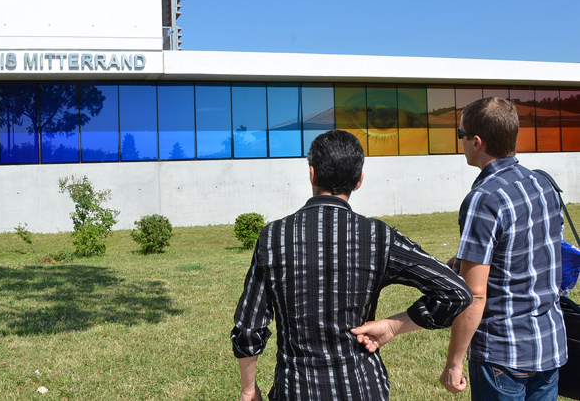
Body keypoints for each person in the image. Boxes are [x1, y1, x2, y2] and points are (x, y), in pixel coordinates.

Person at [231, 129, 472, 401]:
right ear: (359, 181)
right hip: (362, 387)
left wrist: (249, 389)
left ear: (312, 174)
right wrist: (395, 325)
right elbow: (456, 292)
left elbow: (249, 328)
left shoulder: (273, 237)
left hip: (296, 389)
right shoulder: (378, 236)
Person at [440, 97, 567, 400]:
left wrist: (454, 362)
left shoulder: (484, 199)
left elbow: (476, 294)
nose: (461, 142)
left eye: (461, 135)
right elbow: (530, 251)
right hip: (549, 344)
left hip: (502, 355)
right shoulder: (542, 183)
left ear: (477, 142)